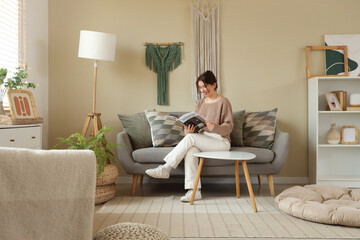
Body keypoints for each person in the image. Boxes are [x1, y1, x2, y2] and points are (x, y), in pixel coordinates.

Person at [145, 70, 234, 202]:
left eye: (205, 86)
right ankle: (194, 191)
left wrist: (213, 127)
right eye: (200, 87)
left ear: (214, 84)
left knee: (191, 140)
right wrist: (189, 131)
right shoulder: (200, 103)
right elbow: (197, 126)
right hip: (203, 139)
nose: (203, 90)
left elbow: (229, 126)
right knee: (191, 151)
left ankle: (166, 168)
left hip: (221, 141)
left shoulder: (224, 102)